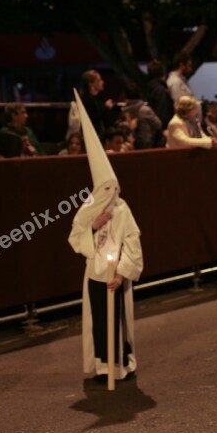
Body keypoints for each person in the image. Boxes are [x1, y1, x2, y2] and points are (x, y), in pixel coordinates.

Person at [68, 89, 143, 383]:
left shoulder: (123, 209)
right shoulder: (89, 209)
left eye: (114, 189)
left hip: (115, 277)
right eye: (105, 190)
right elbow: (75, 237)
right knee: (99, 323)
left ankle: (121, 365)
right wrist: (94, 226)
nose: (111, 195)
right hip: (95, 274)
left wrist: (123, 272)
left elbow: (132, 239)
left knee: (118, 322)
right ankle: (102, 367)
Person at [79, 70, 115, 137]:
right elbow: (92, 118)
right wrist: (105, 107)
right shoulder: (86, 100)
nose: (102, 82)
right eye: (99, 80)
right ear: (91, 84)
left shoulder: (99, 98)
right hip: (92, 134)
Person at [146, 60, 174, 128]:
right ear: (163, 73)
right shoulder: (160, 90)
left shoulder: (150, 87)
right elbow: (162, 111)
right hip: (163, 129)